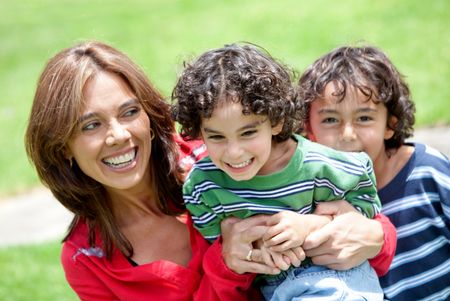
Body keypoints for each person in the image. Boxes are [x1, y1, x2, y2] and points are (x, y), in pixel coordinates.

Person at [24, 41, 281, 301]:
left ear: (149, 115)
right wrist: (225, 265)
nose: (118, 135)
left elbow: (307, 172)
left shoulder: (216, 157)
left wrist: (322, 227)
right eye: (91, 125)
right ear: (62, 147)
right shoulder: (85, 257)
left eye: (130, 112)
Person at [172, 43, 384, 300]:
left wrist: (310, 225)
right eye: (216, 137)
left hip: (337, 280)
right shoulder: (203, 187)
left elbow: (366, 209)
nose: (234, 152)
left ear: (276, 121)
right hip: (273, 290)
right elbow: (219, 243)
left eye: (248, 132)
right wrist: (255, 245)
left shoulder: (320, 166)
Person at [298, 45, 450, 301]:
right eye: (330, 120)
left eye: (364, 118)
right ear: (308, 129)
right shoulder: (306, 193)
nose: (347, 135)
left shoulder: (427, 172)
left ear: (390, 124)